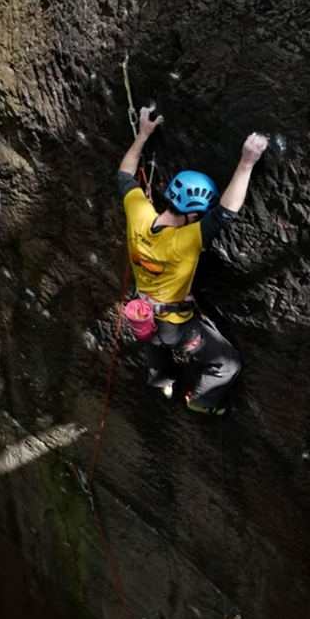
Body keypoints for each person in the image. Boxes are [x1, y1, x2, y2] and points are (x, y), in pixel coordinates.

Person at [117, 107, 268, 415]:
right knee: (228, 363)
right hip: (176, 328)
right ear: (195, 215)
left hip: (142, 314)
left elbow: (124, 175)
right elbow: (226, 212)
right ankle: (202, 402)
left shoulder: (138, 213)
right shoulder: (185, 242)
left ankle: (163, 381)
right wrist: (247, 161)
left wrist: (143, 133)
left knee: (154, 347)